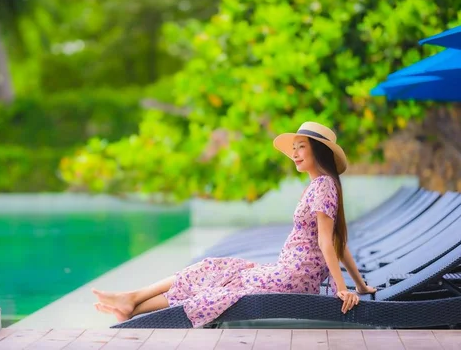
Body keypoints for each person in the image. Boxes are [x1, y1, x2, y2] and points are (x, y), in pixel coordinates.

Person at [92, 121, 377, 328]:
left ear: (319, 151)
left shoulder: (323, 186)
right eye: (294, 148)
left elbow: (329, 242)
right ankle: (132, 301)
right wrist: (360, 285)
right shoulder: (320, 186)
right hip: (286, 272)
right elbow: (340, 243)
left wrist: (343, 288)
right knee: (215, 268)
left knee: (222, 282)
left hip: (292, 278)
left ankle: (133, 303)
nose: (295, 154)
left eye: (301, 148)